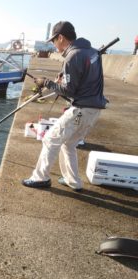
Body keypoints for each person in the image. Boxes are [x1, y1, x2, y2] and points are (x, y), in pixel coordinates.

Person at [22, 21, 107, 191]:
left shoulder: (72, 56)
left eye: (54, 41)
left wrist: (45, 82)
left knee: (50, 140)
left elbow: (68, 91)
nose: (54, 45)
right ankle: (73, 181)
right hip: (94, 109)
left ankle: (40, 178)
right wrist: (65, 78)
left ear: (60, 37)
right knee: (68, 144)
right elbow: (84, 80)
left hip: (81, 110)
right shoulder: (91, 52)